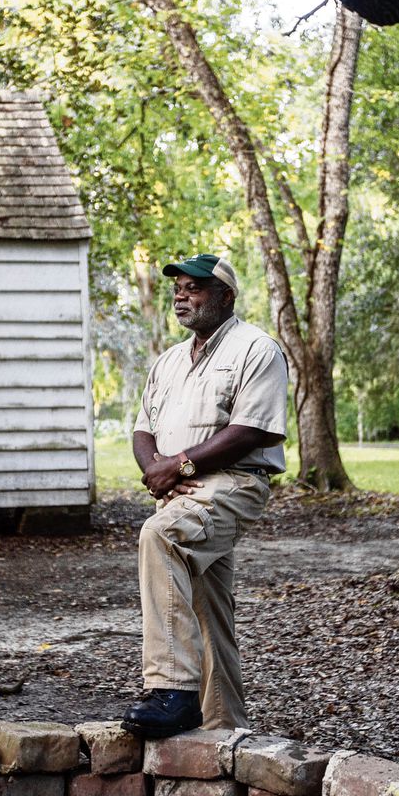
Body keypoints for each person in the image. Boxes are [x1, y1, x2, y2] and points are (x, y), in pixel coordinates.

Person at [121, 253, 288, 738]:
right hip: (180, 488)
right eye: (178, 287)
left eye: (195, 287)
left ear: (225, 296)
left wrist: (181, 464)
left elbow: (252, 430)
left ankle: (173, 691)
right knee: (206, 609)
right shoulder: (170, 360)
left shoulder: (256, 349)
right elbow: (142, 429)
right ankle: (225, 730)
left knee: (161, 539)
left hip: (233, 483)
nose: (181, 295)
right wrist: (159, 469)